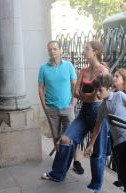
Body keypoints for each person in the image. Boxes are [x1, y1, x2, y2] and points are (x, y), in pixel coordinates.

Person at [42, 41, 110, 193]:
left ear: (96, 52)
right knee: (66, 139)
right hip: (85, 112)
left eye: (86, 49)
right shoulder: (84, 71)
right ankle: (57, 174)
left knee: (97, 151)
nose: (83, 51)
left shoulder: (103, 71)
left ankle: (96, 184)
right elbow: (75, 93)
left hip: (99, 112)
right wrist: (88, 96)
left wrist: (85, 96)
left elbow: (99, 96)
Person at [38, 41, 84, 174]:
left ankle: (76, 162)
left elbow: (75, 86)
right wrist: (44, 106)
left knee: (72, 135)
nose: (52, 51)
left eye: (55, 49)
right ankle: (61, 161)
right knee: (56, 136)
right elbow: (40, 88)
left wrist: (73, 103)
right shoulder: (43, 68)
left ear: (60, 51)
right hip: (51, 108)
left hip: (67, 107)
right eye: (50, 49)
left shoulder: (68, 65)